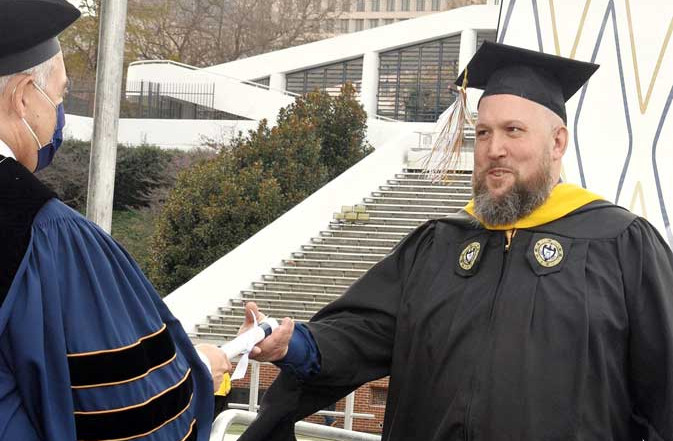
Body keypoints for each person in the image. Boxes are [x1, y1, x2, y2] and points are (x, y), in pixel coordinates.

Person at [237, 41, 673, 441]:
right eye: (483, 133)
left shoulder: (620, 245)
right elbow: (361, 334)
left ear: (557, 142)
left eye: (513, 131)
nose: (494, 149)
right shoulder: (439, 247)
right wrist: (291, 342)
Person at [0, 1, 230, 440]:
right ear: (23, 95)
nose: (58, 116)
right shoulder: (48, 237)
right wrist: (201, 372)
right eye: (61, 96)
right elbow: (138, 418)